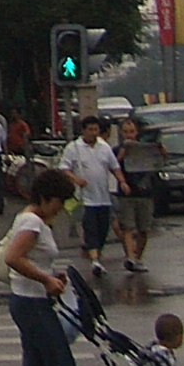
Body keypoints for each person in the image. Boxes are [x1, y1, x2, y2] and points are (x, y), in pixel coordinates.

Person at [3, 168, 77, 366]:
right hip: (32, 303)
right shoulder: (32, 223)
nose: (62, 208)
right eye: (59, 201)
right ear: (45, 198)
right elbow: (13, 258)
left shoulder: (30, 219)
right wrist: (46, 280)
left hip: (28, 302)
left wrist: (51, 276)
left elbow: (32, 258)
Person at [59, 116, 123, 276]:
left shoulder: (104, 147)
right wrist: (76, 179)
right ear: (84, 130)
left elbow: (114, 166)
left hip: (103, 197)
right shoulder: (74, 148)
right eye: (91, 130)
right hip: (85, 199)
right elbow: (64, 168)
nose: (94, 133)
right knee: (91, 229)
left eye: (96, 130)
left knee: (103, 230)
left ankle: (94, 253)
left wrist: (122, 182)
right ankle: (95, 261)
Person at [112, 118, 163, 273]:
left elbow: (159, 162)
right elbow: (114, 165)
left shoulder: (144, 148)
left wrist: (160, 151)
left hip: (145, 192)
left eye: (132, 132)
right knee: (127, 227)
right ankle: (130, 258)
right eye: (126, 132)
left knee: (144, 228)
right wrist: (123, 154)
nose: (129, 135)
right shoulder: (117, 149)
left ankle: (138, 257)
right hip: (127, 194)